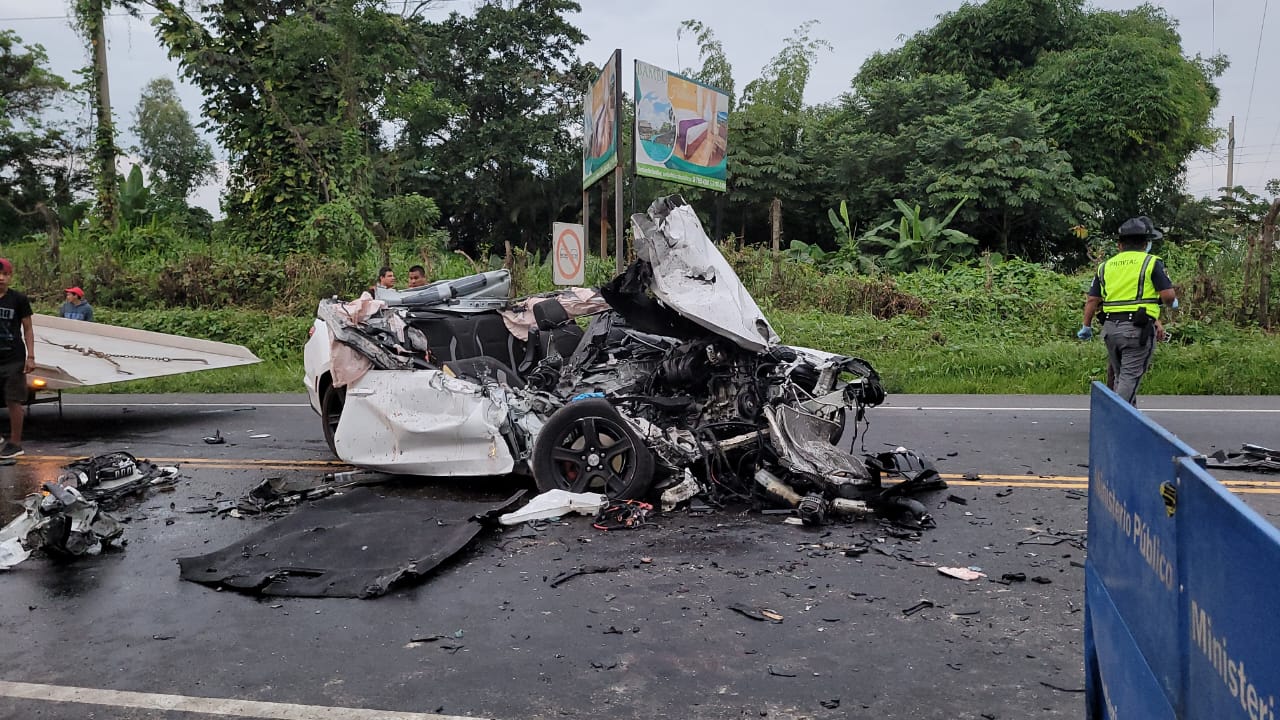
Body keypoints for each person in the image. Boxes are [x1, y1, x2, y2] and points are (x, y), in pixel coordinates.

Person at [1078, 217, 1178, 405]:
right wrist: (1171, 302)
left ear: (1120, 245)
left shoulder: (1105, 266)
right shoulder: (1151, 262)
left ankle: (1127, 424)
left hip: (1110, 330)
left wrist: (1086, 326)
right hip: (1136, 330)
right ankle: (1112, 418)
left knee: (1120, 376)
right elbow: (1168, 295)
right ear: (1146, 243)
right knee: (1129, 378)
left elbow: (1092, 299)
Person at [0, 257, 34, 459]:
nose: (1, 278)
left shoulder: (18, 299)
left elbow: (28, 329)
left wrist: (31, 356)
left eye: (5, 274)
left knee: (13, 400)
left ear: (10, 277)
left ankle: (15, 443)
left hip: (13, 357)